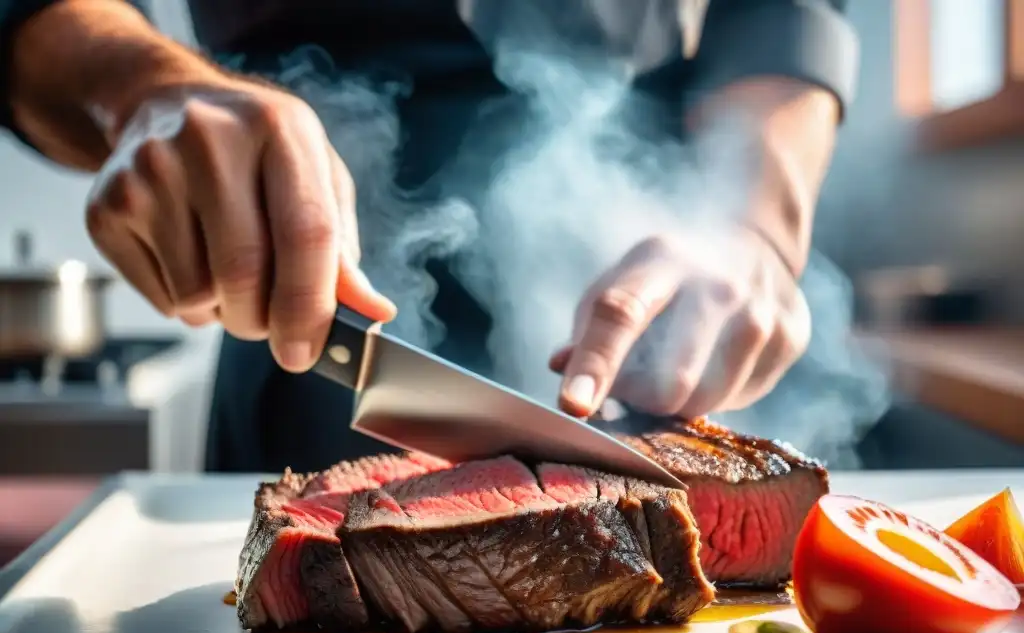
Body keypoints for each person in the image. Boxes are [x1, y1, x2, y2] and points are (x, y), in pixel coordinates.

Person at [0, 0, 858, 473]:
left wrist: (748, 228)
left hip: (656, 287)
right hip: (299, 282)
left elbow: (783, 15)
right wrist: (144, 88)